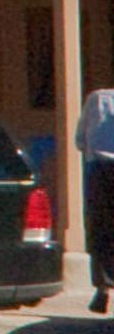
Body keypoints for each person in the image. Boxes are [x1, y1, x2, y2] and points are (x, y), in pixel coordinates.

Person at [85, 81, 114, 317]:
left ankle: (103, 288)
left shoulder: (97, 99)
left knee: (101, 229)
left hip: (99, 169)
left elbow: (80, 140)